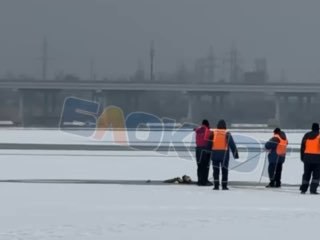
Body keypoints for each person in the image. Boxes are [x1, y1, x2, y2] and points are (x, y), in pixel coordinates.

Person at [208, 119, 239, 190]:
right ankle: (224, 186)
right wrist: (235, 155)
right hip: (224, 156)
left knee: (216, 171)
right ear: (225, 126)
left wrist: (207, 154)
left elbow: (208, 144)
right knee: (224, 171)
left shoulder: (213, 133)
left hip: (215, 155)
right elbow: (232, 145)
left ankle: (216, 186)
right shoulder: (227, 134)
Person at [300, 123, 320, 194]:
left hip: (307, 158)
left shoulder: (307, 135)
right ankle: (313, 189)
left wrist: (302, 157)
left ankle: (303, 189)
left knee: (306, 173)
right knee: (316, 175)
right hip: (317, 159)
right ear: (318, 128)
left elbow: (302, 147)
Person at [194, 119, 212, 186]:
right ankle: (205, 181)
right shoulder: (208, 131)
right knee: (206, 166)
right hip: (205, 150)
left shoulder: (198, 131)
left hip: (198, 150)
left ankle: (200, 181)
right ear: (207, 124)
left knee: (199, 166)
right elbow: (210, 139)